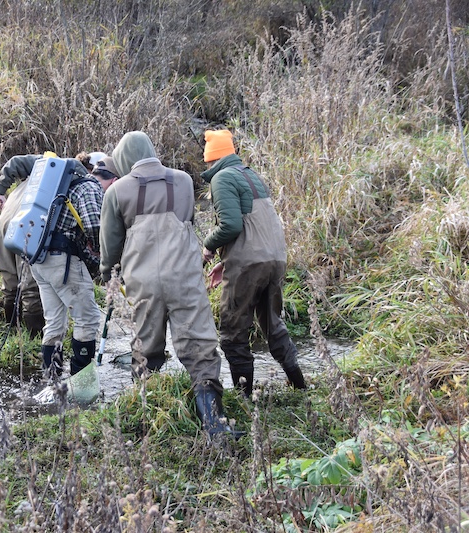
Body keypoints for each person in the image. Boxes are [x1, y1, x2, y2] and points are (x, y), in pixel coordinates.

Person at [99, 131, 239, 437]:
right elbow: (186, 219)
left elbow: (110, 249)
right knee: (200, 348)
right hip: (185, 278)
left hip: (143, 284)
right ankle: (214, 424)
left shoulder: (117, 192)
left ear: (124, 160)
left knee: (146, 350)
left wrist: (107, 274)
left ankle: (148, 416)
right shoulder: (184, 181)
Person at [200, 129, 307, 399]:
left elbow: (232, 226)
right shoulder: (251, 175)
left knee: (233, 331)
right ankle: (299, 387)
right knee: (273, 324)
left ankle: (244, 400)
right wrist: (226, 262)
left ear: (211, 159)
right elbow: (254, 228)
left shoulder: (222, 178)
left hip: (249, 265)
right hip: (274, 259)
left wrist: (209, 245)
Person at [28, 153, 104, 378]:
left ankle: (53, 382)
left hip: (39, 260)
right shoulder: (88, 187)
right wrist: (103, 254)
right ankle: (82, 384)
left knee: (54, 322)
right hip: (64, 263)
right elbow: (94, 225)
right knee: (87, 319)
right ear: (95, 171)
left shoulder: (59, 185)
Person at [0, 155, 46, 336]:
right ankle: (35, 337)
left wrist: (0, 191)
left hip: (6, 216)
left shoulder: (40, 167)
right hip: (26, 221)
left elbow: (14, 162)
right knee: (30, 286)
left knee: (10, 279)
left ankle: (12, 331)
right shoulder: (62, 167)